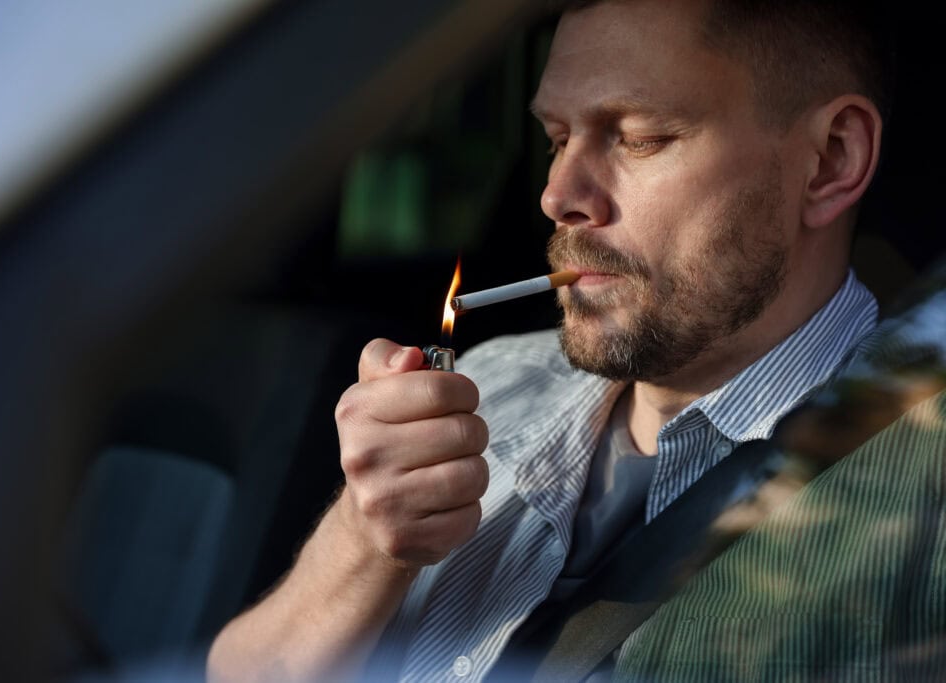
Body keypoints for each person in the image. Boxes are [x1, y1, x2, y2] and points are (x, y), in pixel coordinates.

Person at [207, 0, 908, 680]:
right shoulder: (488, 387)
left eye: (638, 136)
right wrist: (366, 540)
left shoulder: (912, 487)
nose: (558, 193)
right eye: (558, 139)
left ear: (830, 160)